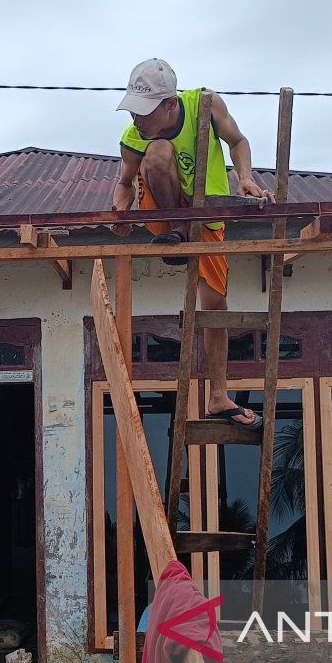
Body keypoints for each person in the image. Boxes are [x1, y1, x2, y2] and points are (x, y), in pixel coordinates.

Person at [111, 58, 273, 427]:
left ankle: (218, 396)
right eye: (133, 111)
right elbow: (124, 182)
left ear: (170, 104)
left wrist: (245, 178)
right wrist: (119, 213)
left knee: (214, 307)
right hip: (165, 218)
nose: (137, 120)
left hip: (206, 215)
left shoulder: (205, 104)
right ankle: (177, 232)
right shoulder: (136, 135)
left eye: (145, 112)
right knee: (158, 151)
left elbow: (238, 141)